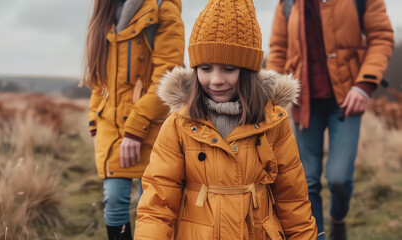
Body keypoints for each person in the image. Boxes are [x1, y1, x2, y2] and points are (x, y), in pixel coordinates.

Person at [134, 0, 317, 239]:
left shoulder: (273, 122)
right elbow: (158, 202)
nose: (216, 79)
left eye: (229, 68)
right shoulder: (179, 123)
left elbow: (292, 199)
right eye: (206, 68)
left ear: (249, 70)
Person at [266, 0, 394, 239]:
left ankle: (338, 218)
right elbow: (278, 51)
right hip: (304, 104)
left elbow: (381, 37)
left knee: (339, 179)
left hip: (347, 99)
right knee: (307, 181)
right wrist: (272, 97)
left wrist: (364, 85)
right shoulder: (287, 3)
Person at [81, 0, 184, 239]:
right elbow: (100, 81)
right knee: (114, 200)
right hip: (110, 123)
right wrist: (94, 124)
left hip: (152, 122)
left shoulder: (162, 7)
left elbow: (168, 76)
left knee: (154, 206)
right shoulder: (105, 13)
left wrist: (135, 129)